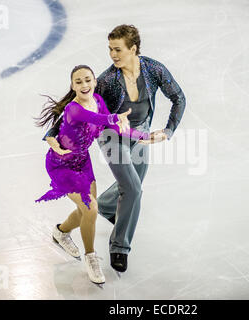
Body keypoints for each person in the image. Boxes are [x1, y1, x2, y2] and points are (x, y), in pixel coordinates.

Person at [43, 24, 186, 273]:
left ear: (133, 49)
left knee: (131, 187)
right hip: (112, 137)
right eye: (110, 49)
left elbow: (179, 98)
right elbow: (76, 101)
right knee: (133, 189)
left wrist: (168, 129)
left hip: (139, 134)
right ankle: (119, 247)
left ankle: (109, 208)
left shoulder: (153, 69)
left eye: (117, 49)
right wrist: (52, 132)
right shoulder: (108, 80)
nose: (113, 55)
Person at [34, 64, 150, 284]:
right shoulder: (73, 109)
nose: (84, 85)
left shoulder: (98, 100)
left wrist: (141, 135)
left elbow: (113, 127)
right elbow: (100, 120)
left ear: (95, 82)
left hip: (83, 163)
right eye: (78, 82)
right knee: (92, 208)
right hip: (62, 164)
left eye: (88, 80)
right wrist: (117, 118)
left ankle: (60, 232)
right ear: (72, 85)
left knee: (87, 212)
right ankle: (91, 256)